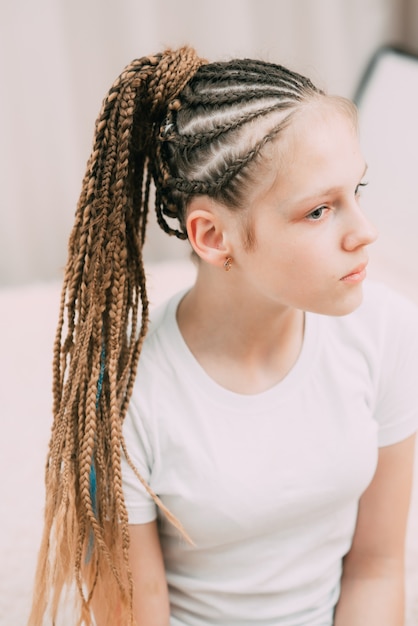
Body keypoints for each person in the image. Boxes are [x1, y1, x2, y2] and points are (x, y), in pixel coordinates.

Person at [28, 46, 418, 626]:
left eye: (356, 192)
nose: (365, 232)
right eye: (319, 211)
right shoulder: (126, 396)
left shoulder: (385, 331)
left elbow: (377, 569)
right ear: (212, 237)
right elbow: (138, 613)